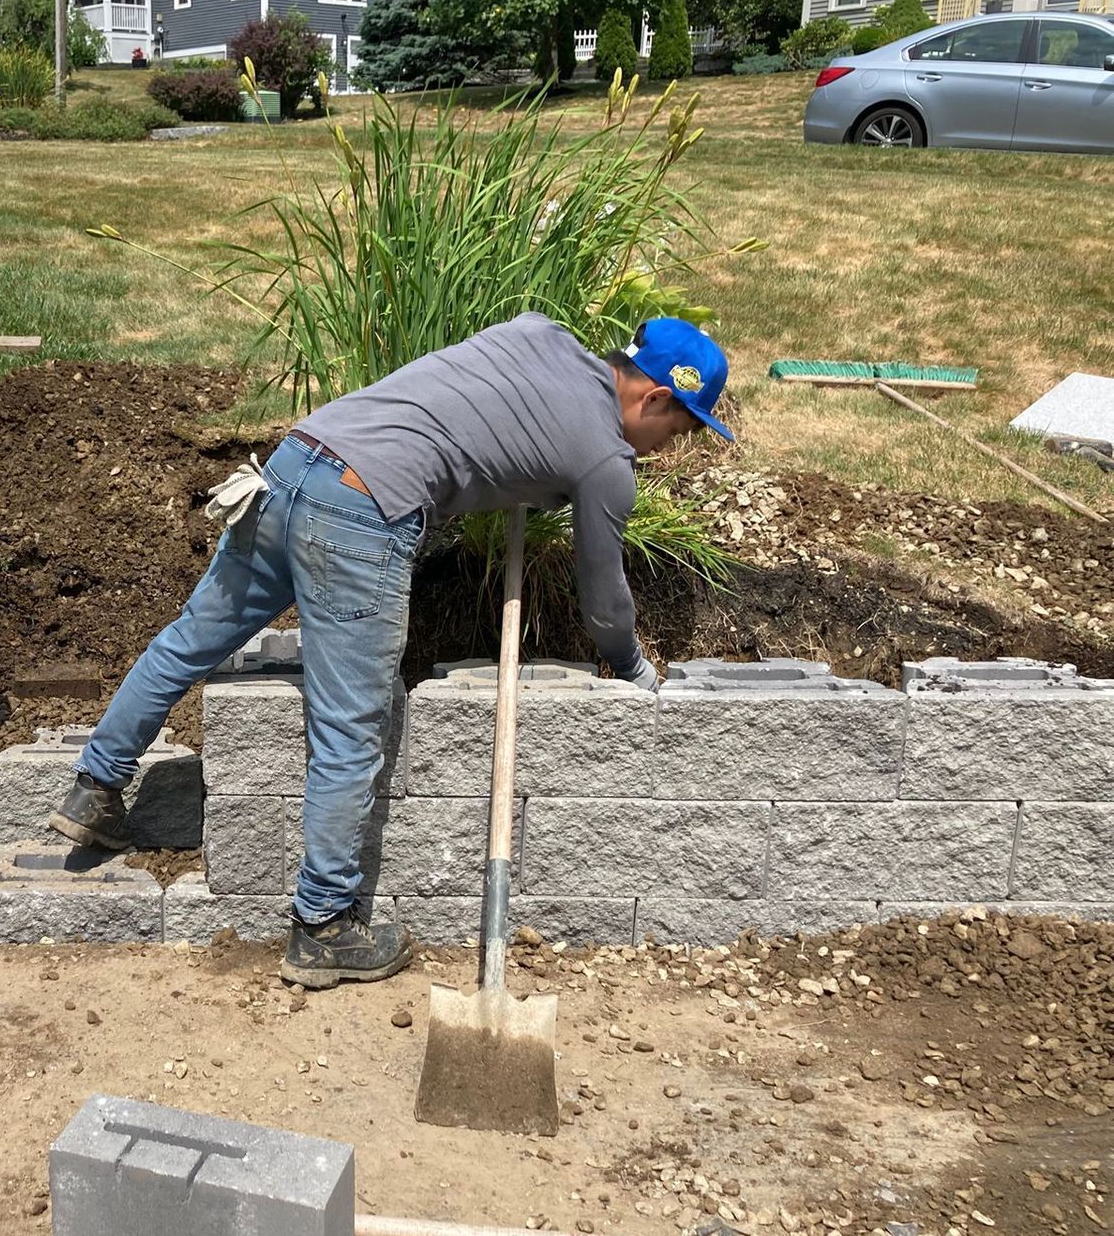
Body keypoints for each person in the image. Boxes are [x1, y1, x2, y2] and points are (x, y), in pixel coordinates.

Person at [48, 312, 731, 988]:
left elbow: (485, 409)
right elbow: (604, 603)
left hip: (295, 464)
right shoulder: (606, 460)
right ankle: (322, 926)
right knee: (350, 725)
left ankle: (95, 789)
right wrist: (636, 668)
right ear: (655, 398)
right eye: (674, 432)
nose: (663, 450)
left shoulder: (540, 333)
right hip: (363, 509)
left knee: (189, 641)